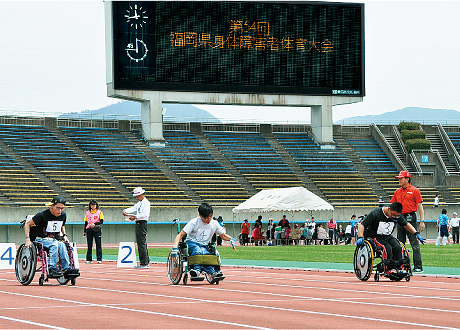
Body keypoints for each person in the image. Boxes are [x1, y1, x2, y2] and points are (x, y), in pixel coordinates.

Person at [171, 203, 236, 282]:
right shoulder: (193, 222)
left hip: (204, 245)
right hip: (191, 243)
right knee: (198, 250)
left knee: (206, 252)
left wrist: (231, 239)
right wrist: (175, 248)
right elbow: (179, 235)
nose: (209, 219)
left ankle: (211, 272)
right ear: (200, 215)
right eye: (207, 218)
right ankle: (198, 270)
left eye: (210, 217)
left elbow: (223, 235)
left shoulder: (214, 223)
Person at [357, 202, 425, 273]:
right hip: (374, 236)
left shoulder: (397, 216)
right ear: (389, 209)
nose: (394, 217)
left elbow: (406, 224)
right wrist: (360, 237)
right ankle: (388, 268)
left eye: (397, 215)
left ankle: (398, 268)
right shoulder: (376, 213)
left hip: (387, 236)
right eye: (393, 215)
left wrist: (416, 233)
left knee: (398, 247)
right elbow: (362, 225)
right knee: (387, 247)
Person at [24, 196, 79, 278]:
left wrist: (64, 235)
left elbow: (62, 225)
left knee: (62, 245)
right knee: (55, 245)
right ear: (52, 206)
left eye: (62, 208)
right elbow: (27, 224)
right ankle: (51, 268)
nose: (60, 211)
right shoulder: (42, 215)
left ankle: (66, 268)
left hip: (55, 239)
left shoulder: (63, 215)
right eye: (58, 208)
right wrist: (27, 239)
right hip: (41, 239)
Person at [390, 171, 425, 273]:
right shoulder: (397, 191)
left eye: (401, 178)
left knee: (414, 243)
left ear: (407, 179)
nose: (399, 180)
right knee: (399, 243)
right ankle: (400, 265)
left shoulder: (415, 190)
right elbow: (392, 205)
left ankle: (418, 266)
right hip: (399, 217)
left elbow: (420, 206)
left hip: (410, 217)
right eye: (399, 178)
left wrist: (422, 221)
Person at [123, 187, 151, 269]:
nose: (137, 197)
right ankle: (145, 261)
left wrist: (134, 217)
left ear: (142, 194)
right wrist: (126, 211)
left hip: (142, 223)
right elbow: (133, 208)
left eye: (138, 195)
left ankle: (144, 262)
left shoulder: (146, 203)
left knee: (141, 242)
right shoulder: (140, 203)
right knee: (141, 242)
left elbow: (145, 215)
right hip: (139, 222)